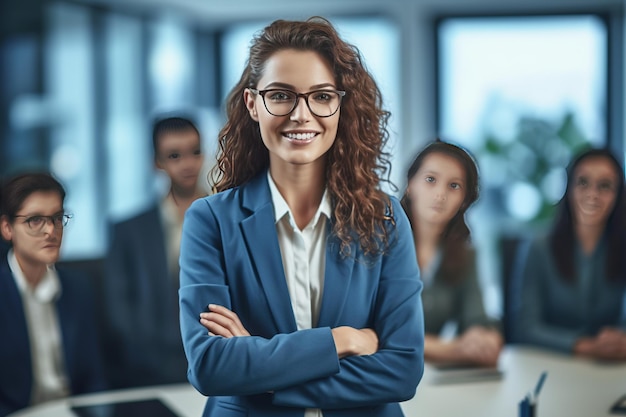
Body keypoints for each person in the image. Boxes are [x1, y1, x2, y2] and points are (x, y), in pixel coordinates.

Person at [178, 17, 424, 417]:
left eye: (321, 96)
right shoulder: (210, 221)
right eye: (281, 95)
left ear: (341, 105)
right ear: (252, 104)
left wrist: (260, 378)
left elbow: (402, 370)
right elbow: (210, 366)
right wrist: (340, 340)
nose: (301, 114)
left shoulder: (384, 218)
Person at [101, 115, 206, 388]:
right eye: (174, 155)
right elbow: (120, 311)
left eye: (195, 152)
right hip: (150, 370)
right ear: (156, 163)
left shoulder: (230, 219)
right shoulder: (129, 231)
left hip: (218, 361)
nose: (187, 163)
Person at [0, 173, 107, 417]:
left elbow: (94, 379)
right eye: (35, 220)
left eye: (57, 217)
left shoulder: (78, 288)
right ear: (7, 227)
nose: (51, 230)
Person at [514, 148, 626, 359]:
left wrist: (619, 340)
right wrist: (586, 347)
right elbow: (525, 328)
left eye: (605, 186)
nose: (592, 194)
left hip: (612, 368)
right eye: (582, 182)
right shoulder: (539, 247)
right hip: (552, 365)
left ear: (618, 195)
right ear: (569, 189)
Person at [401, 139, 502, 367]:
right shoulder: (379, 244)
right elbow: (376, 335)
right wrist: (452, 349)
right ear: (410, 184)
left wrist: (484, 338)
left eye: (454, 185)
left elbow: (477, 319)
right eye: (430, 180)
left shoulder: (465, 255)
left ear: (465, 199)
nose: (440, 194)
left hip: (432, 380)